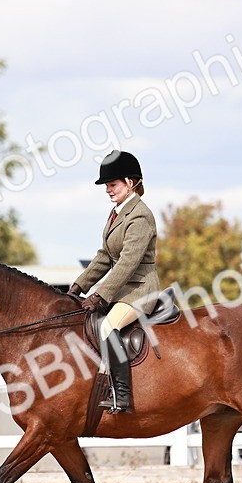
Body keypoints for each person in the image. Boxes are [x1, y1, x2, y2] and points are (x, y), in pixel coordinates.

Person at [67, 150, 160, 414]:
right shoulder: (116, 214)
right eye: (107, 186)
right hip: (122, 290)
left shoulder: (140, 215)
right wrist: (78, 286)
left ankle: (122, 395)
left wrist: (100, 295)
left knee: (108, 326)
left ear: (131, 183)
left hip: (140, 290)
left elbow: (128, 263)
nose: (108, 190)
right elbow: (105, 256)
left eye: (113, 184)